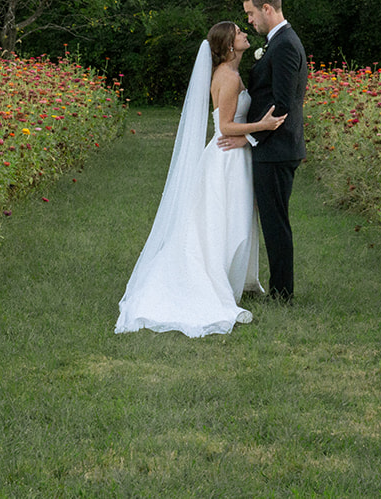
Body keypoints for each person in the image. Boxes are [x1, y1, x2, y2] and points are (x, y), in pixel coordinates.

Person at [115, 21, 286, 337]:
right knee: (229, 220)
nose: (245, 33)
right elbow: (225, 127)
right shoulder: (230, 78)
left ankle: (233, 276)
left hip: (229, 157)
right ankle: (217, 280)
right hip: (228, 159)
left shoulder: (228, 75)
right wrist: (261, 125)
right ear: (229, 45)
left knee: (224, 220)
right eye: (238, 32)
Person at [217, 0, 306, 302]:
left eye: (251, 13)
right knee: (271, 220)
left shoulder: (283, 45)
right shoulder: (279, 41)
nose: (250, 21)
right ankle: (277, 288)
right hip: (275, 147)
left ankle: (283, 294)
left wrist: (249, 136)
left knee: (275, 223)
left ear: (267, 9)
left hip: (277, 149)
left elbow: (283, 104)